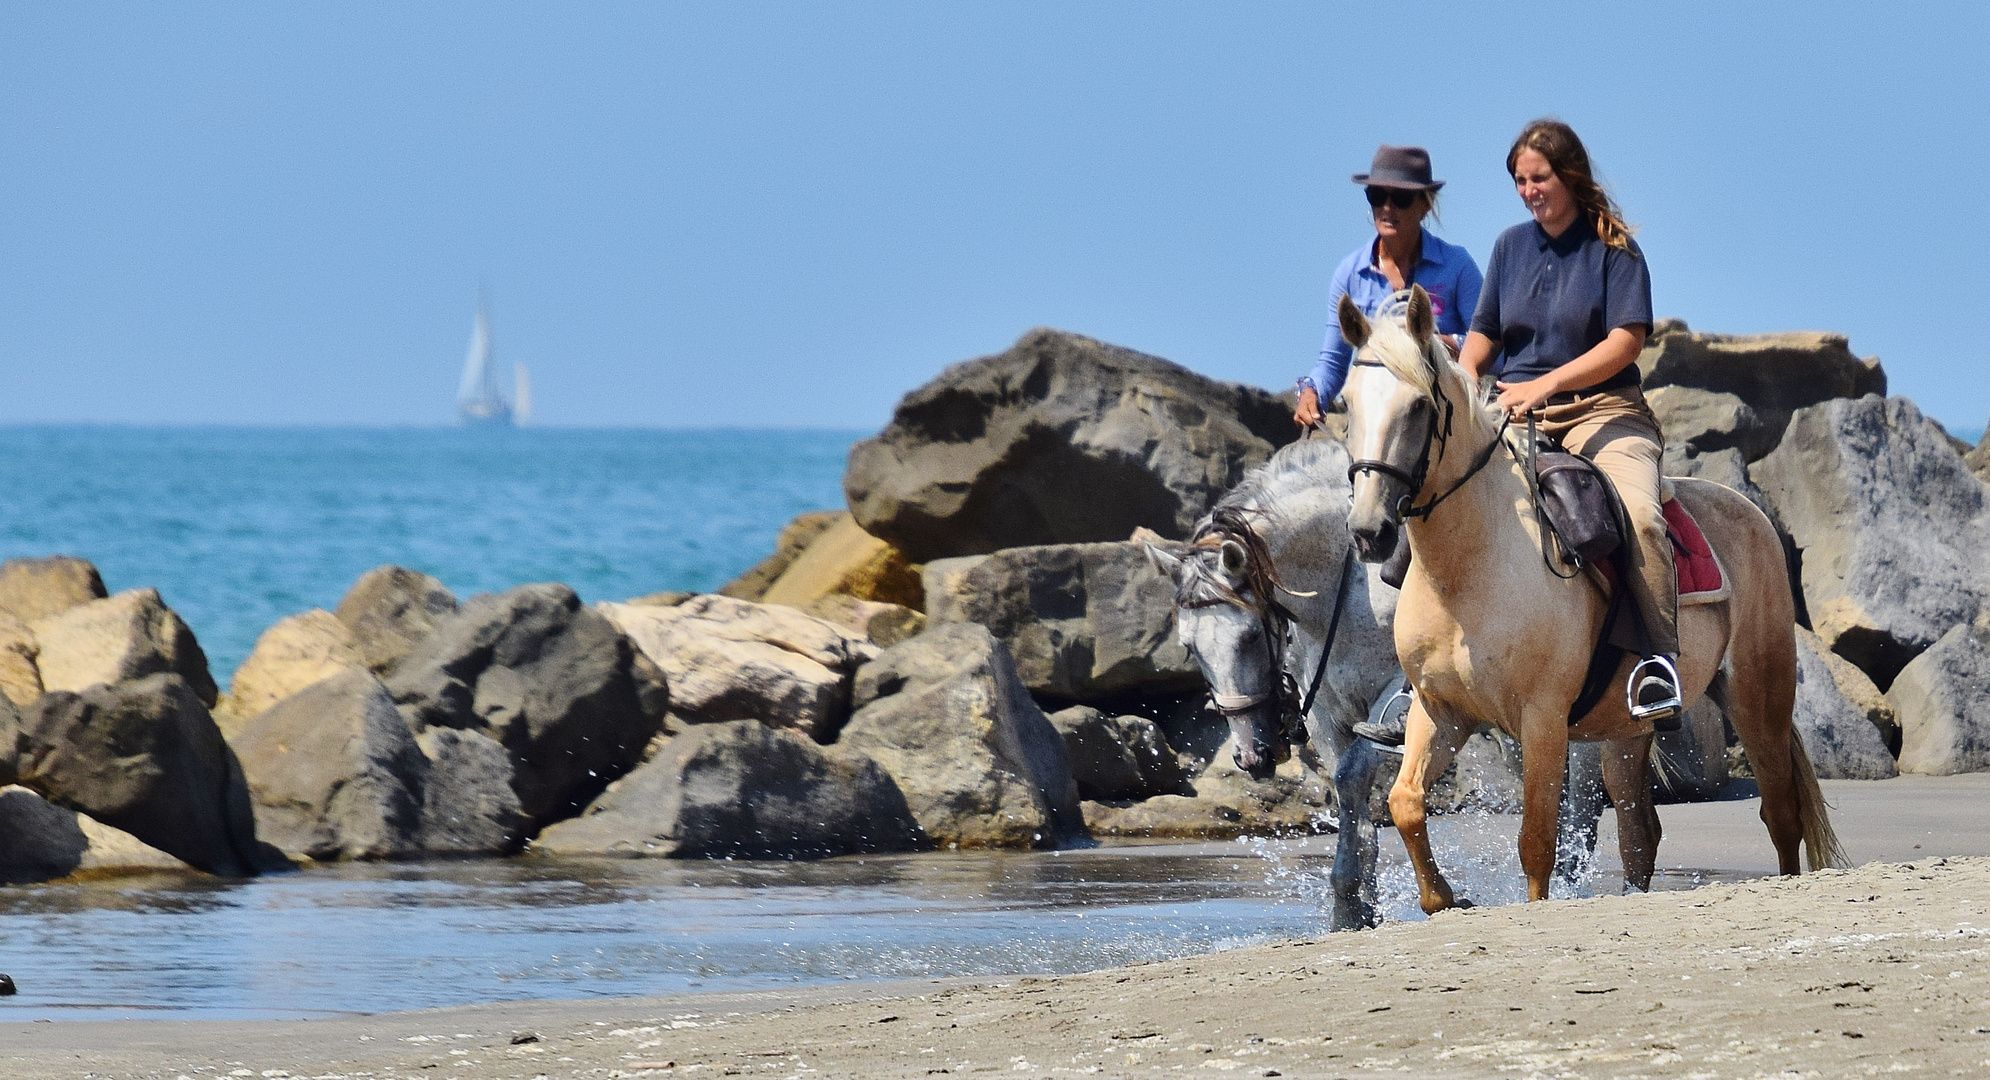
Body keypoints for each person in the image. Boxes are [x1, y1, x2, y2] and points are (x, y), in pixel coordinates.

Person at [1457, 118, 1682, 728]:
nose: (1529, 191)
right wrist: (1464, 375)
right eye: (1520, 182)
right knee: (1438, 497)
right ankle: (1425, 676)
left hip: (1604, 413)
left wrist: (1548, 383)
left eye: (1540, 178)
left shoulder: (1615, 252)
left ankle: (1658, 665)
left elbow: (1626, 342)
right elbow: (1483, 334)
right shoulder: (1508, 247)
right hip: (1513, 410)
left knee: (1639, 516)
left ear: (1570, 175)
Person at [1293, 145, 1483, 430]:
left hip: (1447, 426)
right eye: (1377, 195)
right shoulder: (1349, 275)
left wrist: (1443, 344)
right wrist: (1310, 393)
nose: (1387, 207)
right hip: (1373, 429)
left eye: (1402, 198)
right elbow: (1332, 364)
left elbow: (1493, 347)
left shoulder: (1458, 266)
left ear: (1425, 204)